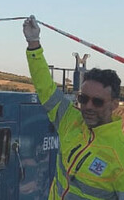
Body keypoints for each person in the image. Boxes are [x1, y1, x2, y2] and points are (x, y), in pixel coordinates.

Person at [23, 15, 124, 198]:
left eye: (98, 101)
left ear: (114, 104)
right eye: (83, 99)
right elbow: (46, 88)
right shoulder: (70, 120)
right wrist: (33, 43)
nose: (88, 106)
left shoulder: (120, 153)